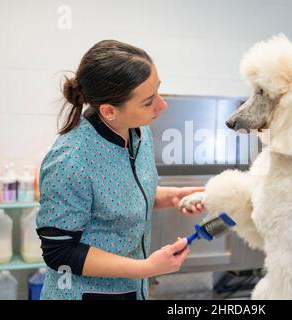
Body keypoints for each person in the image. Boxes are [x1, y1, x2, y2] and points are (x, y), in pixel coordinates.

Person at [36, 40, 205, 300]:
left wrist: (171, 196)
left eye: (158, 91)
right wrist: (146, 268)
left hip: (132, 291)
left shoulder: (138, 132)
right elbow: (60, 252)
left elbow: (120, 195)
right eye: (149, 101)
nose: (162, 105)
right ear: (109, 111)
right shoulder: (70, 162)